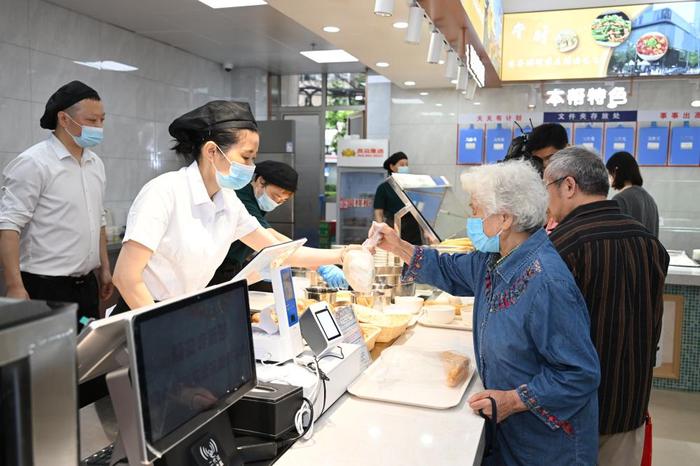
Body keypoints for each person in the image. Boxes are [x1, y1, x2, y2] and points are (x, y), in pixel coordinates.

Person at [370, 160, 600, 466]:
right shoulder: (497, 260)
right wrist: (397, 245)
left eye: (476, 210)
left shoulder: (547, 282)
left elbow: (579, 374)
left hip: (548, 446)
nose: (472, 218)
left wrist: (512, 401)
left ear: (505, 219)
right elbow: (449, 269)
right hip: (511, 437)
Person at [112, 101, 354, 313]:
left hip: (187, 309)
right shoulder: (164, 192)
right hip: (143, 312)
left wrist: (342, 255)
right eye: (246, 157)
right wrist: (159, 327)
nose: (251, 166)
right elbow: (126, 277)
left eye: (253, 158)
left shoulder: (228, 201)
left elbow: (277, 250)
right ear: (211, 151)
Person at [545, 146, 669, 466]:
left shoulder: (560, 247)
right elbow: (654, 322)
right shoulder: (650, 243)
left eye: (547, 188)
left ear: (569, 186)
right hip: (631, 399)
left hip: (574, 412)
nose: (546, 201)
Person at [0, 81, 113, 322]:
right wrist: (14, 286)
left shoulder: (96, 164)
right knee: (51, 358)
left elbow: (98, 219)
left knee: (88, 353)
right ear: (64, 119)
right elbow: (9, 227)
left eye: (102, 120)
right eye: (92, 121)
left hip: (86, 286)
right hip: (45, 287)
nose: (99, 127)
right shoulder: (34, 163)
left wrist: (104, 268)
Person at [209, 160, 346, 288]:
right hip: (215, 270)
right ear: (260, 181)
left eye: (282, 201)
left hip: (233, 267)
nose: (277, 202)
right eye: (275, 196)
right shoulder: (242, 197)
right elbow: (273, 239)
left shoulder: (257, 201)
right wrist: (322, 264)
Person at [606, 151, 659, 237]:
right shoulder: (650, 199)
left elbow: (614, 238)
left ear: (616, 171)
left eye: (609, 173)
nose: (609, 178)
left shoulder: (621, 199)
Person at [373, 151, 421, 245]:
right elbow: (378, 212)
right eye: (402, 164)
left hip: (413, 229)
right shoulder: (383, 188)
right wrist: (380, 230)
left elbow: (420, 209)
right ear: (392, 167)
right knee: (396, 256)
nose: (405, 167)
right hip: (394, 227)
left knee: (414, 256)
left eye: (407, 165)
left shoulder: (411, 186)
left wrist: (426, 231)